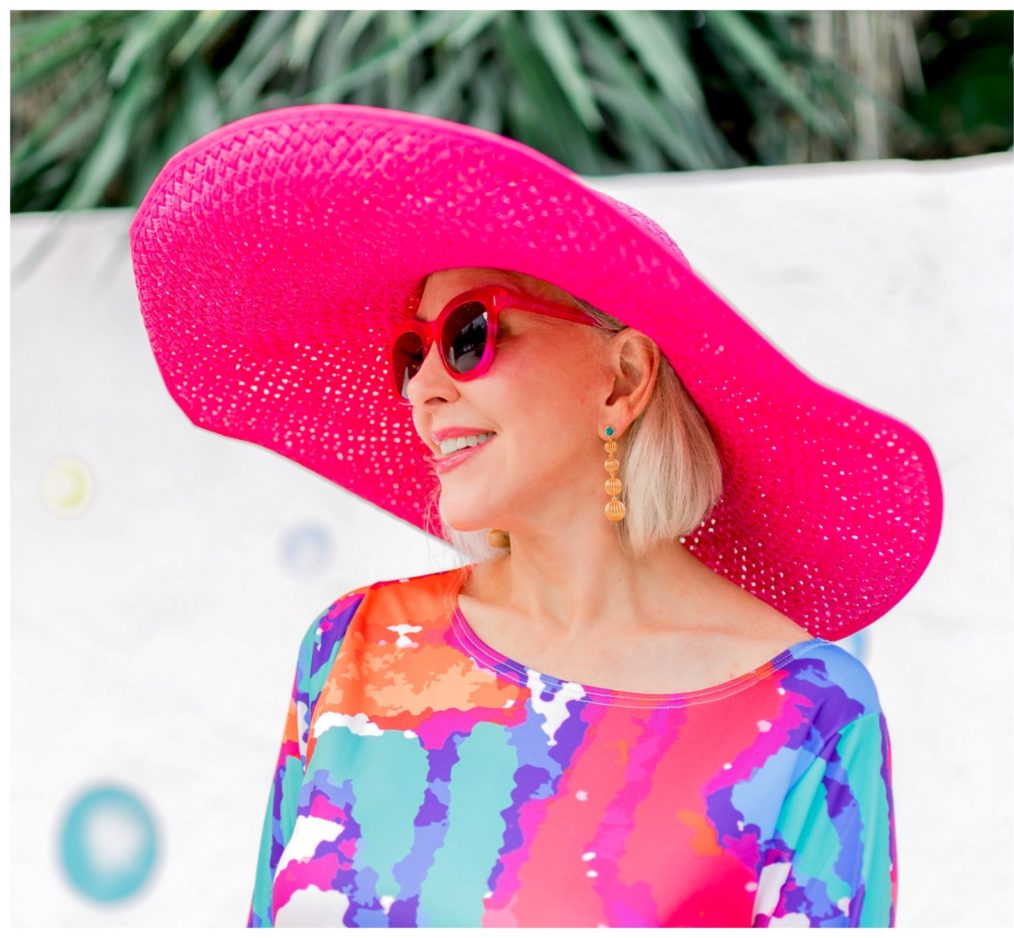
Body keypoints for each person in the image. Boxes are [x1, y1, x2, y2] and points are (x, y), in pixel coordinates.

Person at [129, 105, 942, 927]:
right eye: (413, 355)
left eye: (469, 334)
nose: (423, 390)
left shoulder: (809, 716)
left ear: (622, 380)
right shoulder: (353, 650)